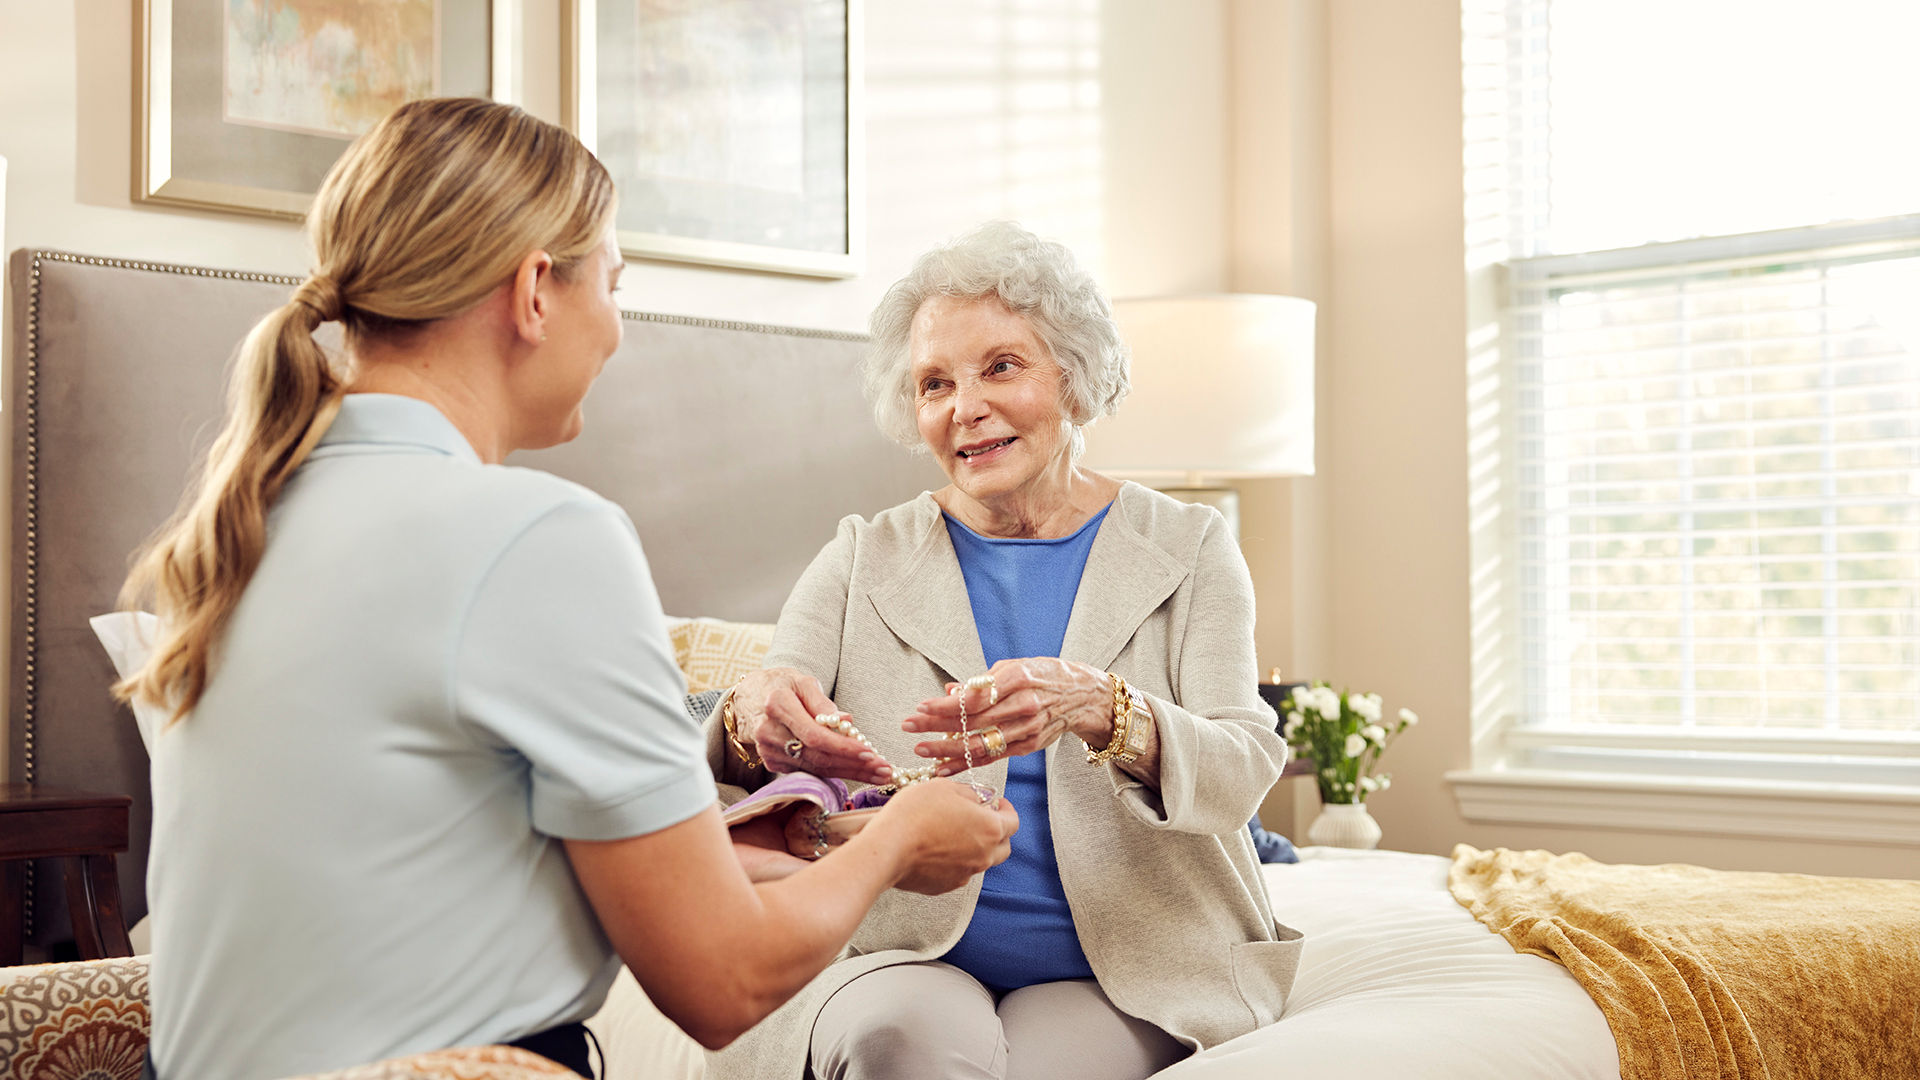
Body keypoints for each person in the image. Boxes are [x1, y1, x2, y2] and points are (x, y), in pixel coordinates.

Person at [117, 98, 1016, 1080]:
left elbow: (401, 863)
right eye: (615, 287)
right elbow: (722, 983)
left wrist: (735, 842)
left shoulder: (233, 528)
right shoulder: (542, 539)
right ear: (536, 289)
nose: (618, 333)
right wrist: (897, 847)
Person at [711, 221, 1304, 1080]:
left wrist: (1108, 709)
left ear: (1073, 374)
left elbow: (1244, 763)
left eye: (1001, 367)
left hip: (1126, 964)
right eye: (934, 384)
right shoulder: (860, 555)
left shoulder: (1190, 546)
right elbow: (740, 723)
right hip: (899, 948)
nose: (965, 407)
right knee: (895, 1047)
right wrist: (751, 713)